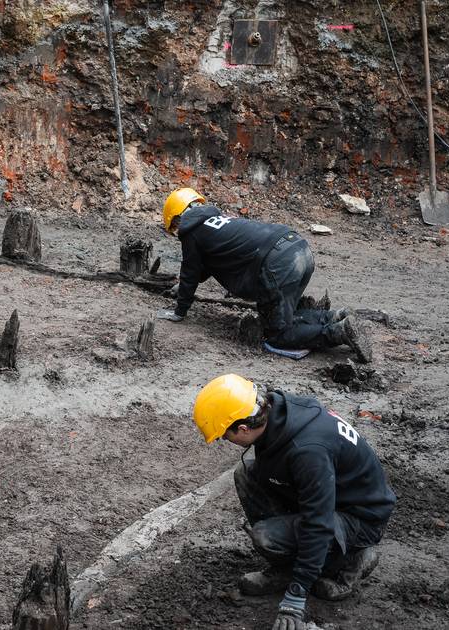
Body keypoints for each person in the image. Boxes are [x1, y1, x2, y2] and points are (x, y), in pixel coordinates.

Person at [193, 373, 397, 630]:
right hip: (334, 496)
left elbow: (318, 522)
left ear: (243, 428)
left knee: (267, 537)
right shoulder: (278, 411)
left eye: (225, 435)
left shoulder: (307, 451)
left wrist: (296, 597)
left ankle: (351, 560)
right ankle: (289, 566)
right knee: (246, 475)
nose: (225, 441)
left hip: (361, 517)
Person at [156, 187, 373, 362]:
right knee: (287, 314)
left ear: (177, 219)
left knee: (278, 335)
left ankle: (340, 332)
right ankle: (335, 316)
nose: (177, 233)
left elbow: (191, 272)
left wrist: (179, 312)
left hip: (277, 264)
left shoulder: (191, 233)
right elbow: (204, 268)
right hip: (299, 248)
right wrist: (183, 288)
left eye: (174, 228)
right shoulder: (216, 220)